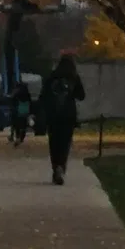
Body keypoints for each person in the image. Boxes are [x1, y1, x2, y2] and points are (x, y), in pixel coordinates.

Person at [38, 52, 87, 185]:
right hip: (68, 115)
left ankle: (55, 167)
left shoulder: (52, 76)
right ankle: (61, 166)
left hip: (53, 116)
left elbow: (43, 97)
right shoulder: (73, 77)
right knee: (65, 144)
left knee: (54, 144)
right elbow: (82, 96)